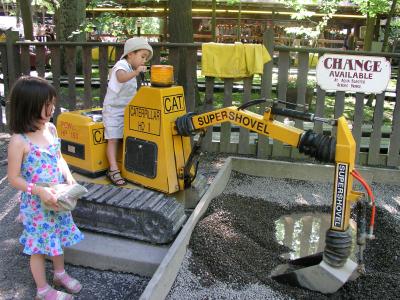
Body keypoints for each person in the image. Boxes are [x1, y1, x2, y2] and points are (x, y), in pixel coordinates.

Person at [7, 76, 84, 300]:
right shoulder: (19, 141)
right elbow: (13, 178)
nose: (52, 108)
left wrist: (69, 177)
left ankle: (59, 274)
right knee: (39, 246)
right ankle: (43, 289)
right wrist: (38, 190)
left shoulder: (50, 128)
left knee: (57, 235)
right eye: (47, 104)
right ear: (29, 107)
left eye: (52, 103)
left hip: (57, 197)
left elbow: (59, 157)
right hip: (36, 205)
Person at [102, 37, 153, 186]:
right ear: (130, 54)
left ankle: (127, 165)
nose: (144, 61)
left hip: (127, 110)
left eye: (146, 58)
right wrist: (137, 72)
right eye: (142, 56)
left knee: (128, 137)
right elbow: (121, 78)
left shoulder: (131, 69)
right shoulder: (121, 65)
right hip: (113, 110)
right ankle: (112, 169)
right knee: (113, 138)